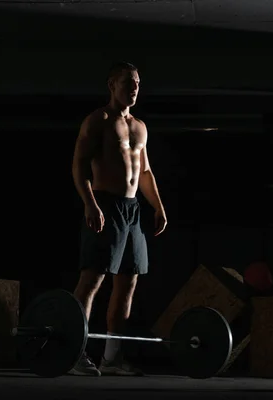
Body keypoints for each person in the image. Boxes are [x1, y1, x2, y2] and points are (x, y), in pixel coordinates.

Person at [69, 61, 168, 376]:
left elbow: (146, 171)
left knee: (128, 281)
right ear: (112, 84)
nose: (135, 87)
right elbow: (79, 165)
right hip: (106, 205)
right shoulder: (98, 120)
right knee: (92, 279)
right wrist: (90, 203)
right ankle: (74, 353)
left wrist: (159, 207)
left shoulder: (140, 126)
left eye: (138, 82)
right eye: (128, 82)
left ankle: (112, 358)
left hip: (132, 210)